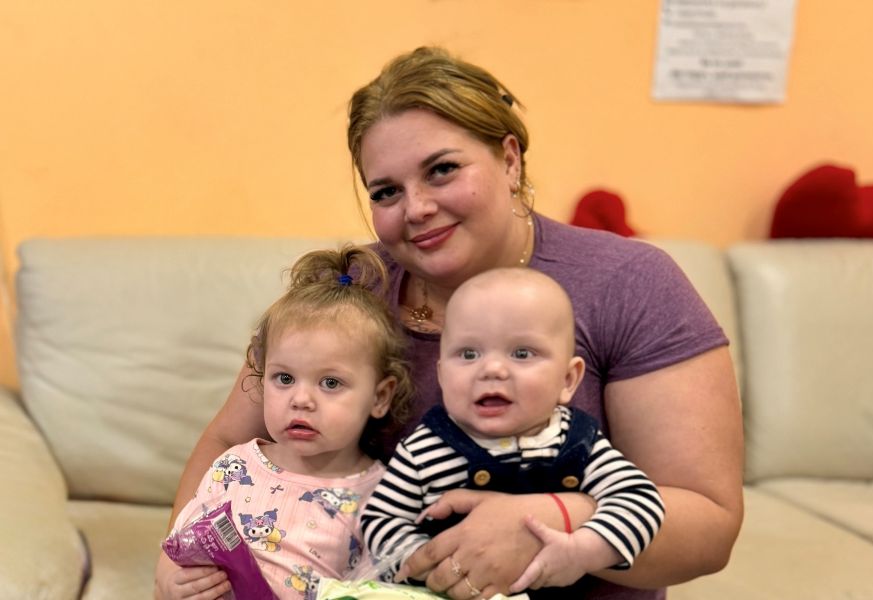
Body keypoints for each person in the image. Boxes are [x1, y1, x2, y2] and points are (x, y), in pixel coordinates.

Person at [166, 46, 744, 600]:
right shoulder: (349, 287)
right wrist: (177, 562)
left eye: (442, 170)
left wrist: (555, 520)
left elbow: (710, 526)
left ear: (510, 159)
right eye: (387, 191)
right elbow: (229, 440)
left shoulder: (629, 283)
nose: (416, 208)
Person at [361, 267, 666, 598]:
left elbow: (640, 499)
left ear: (568, 380)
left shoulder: (578, 442)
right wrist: (426, 562)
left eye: (522, 353)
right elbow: (379, 519)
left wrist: (582, 550)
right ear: (442, 375)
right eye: (468, 354)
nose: (492, 369)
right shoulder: (425, 448)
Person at [155, 246, 413, 599]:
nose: (301, 399)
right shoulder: (232, 468)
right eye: (285, 379)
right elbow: (179, 550)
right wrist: (172, 581)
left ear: (380, 396)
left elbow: (379, 590)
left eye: (330, 383)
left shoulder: (381, 497)